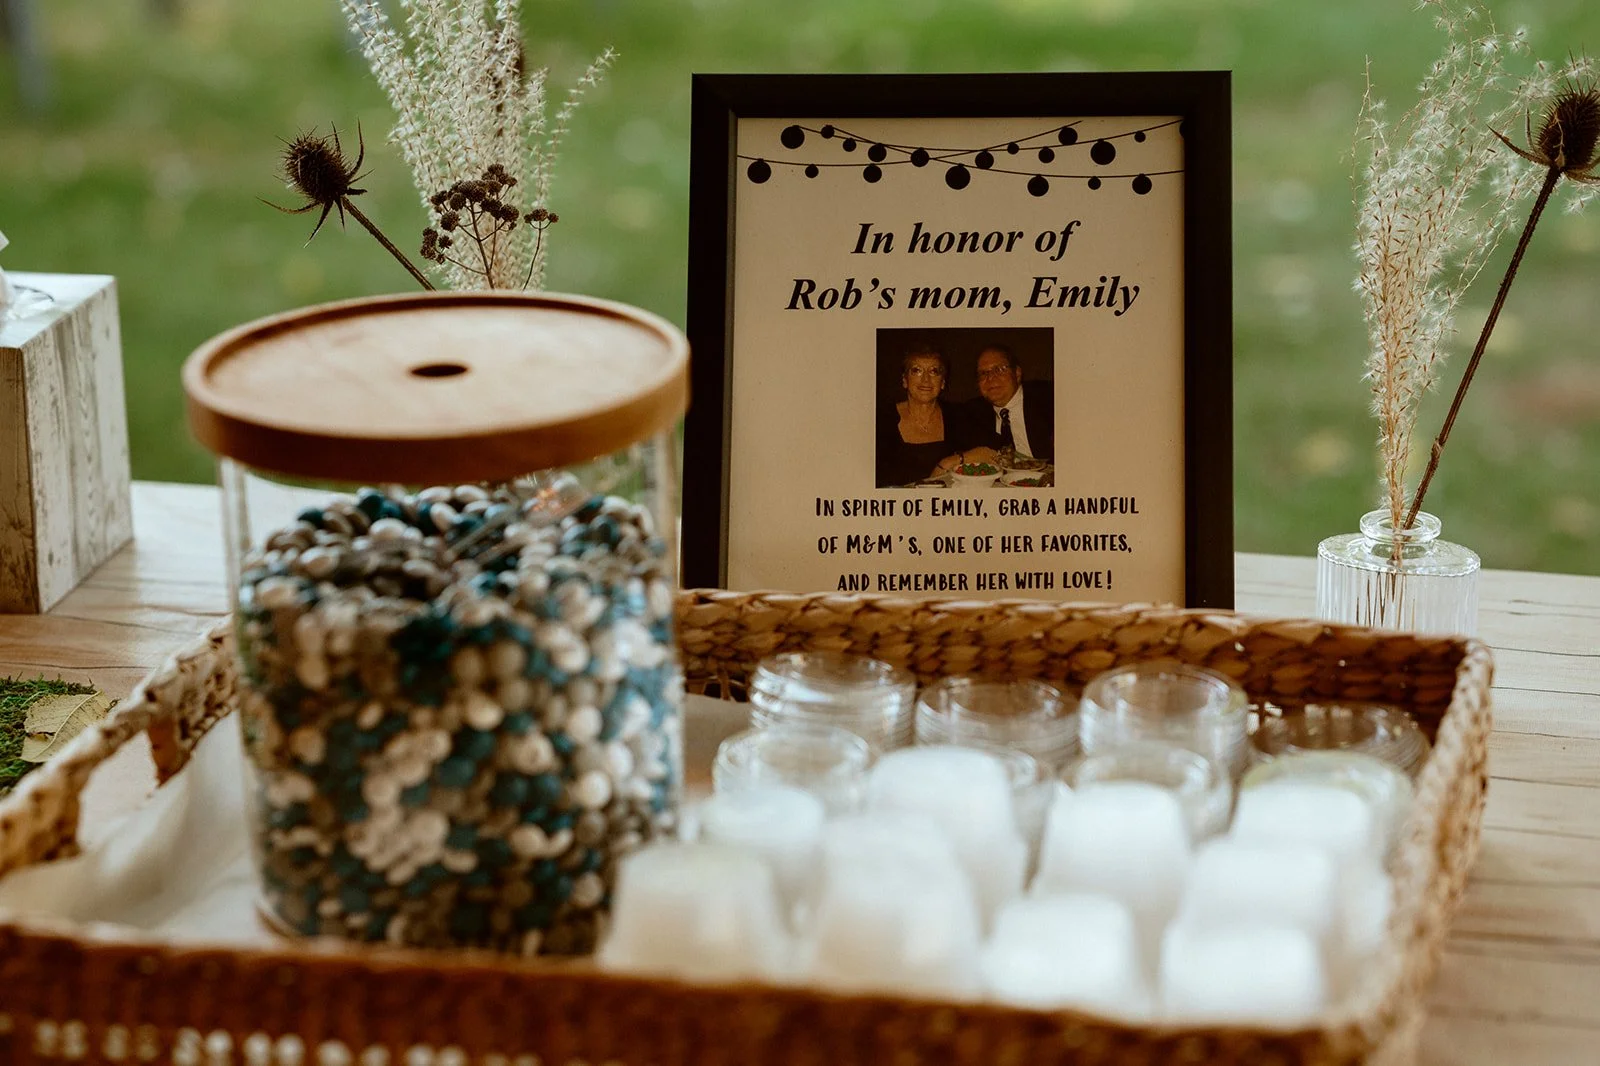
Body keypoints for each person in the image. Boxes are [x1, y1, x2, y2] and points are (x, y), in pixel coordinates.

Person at [876, 345, 978, 486]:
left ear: (942, 382)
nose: (925, 380)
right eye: (916, 371)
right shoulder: (880, 419)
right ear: (905, 380)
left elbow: (991, 453)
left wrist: (947, 463)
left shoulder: (957, 415)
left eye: (934, 371)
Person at [964, 344, 1054, 462]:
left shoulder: (1049, 396)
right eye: (983, 373)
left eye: (999, 369)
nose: (991, 378)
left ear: (1017, 373)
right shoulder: (971, 412)